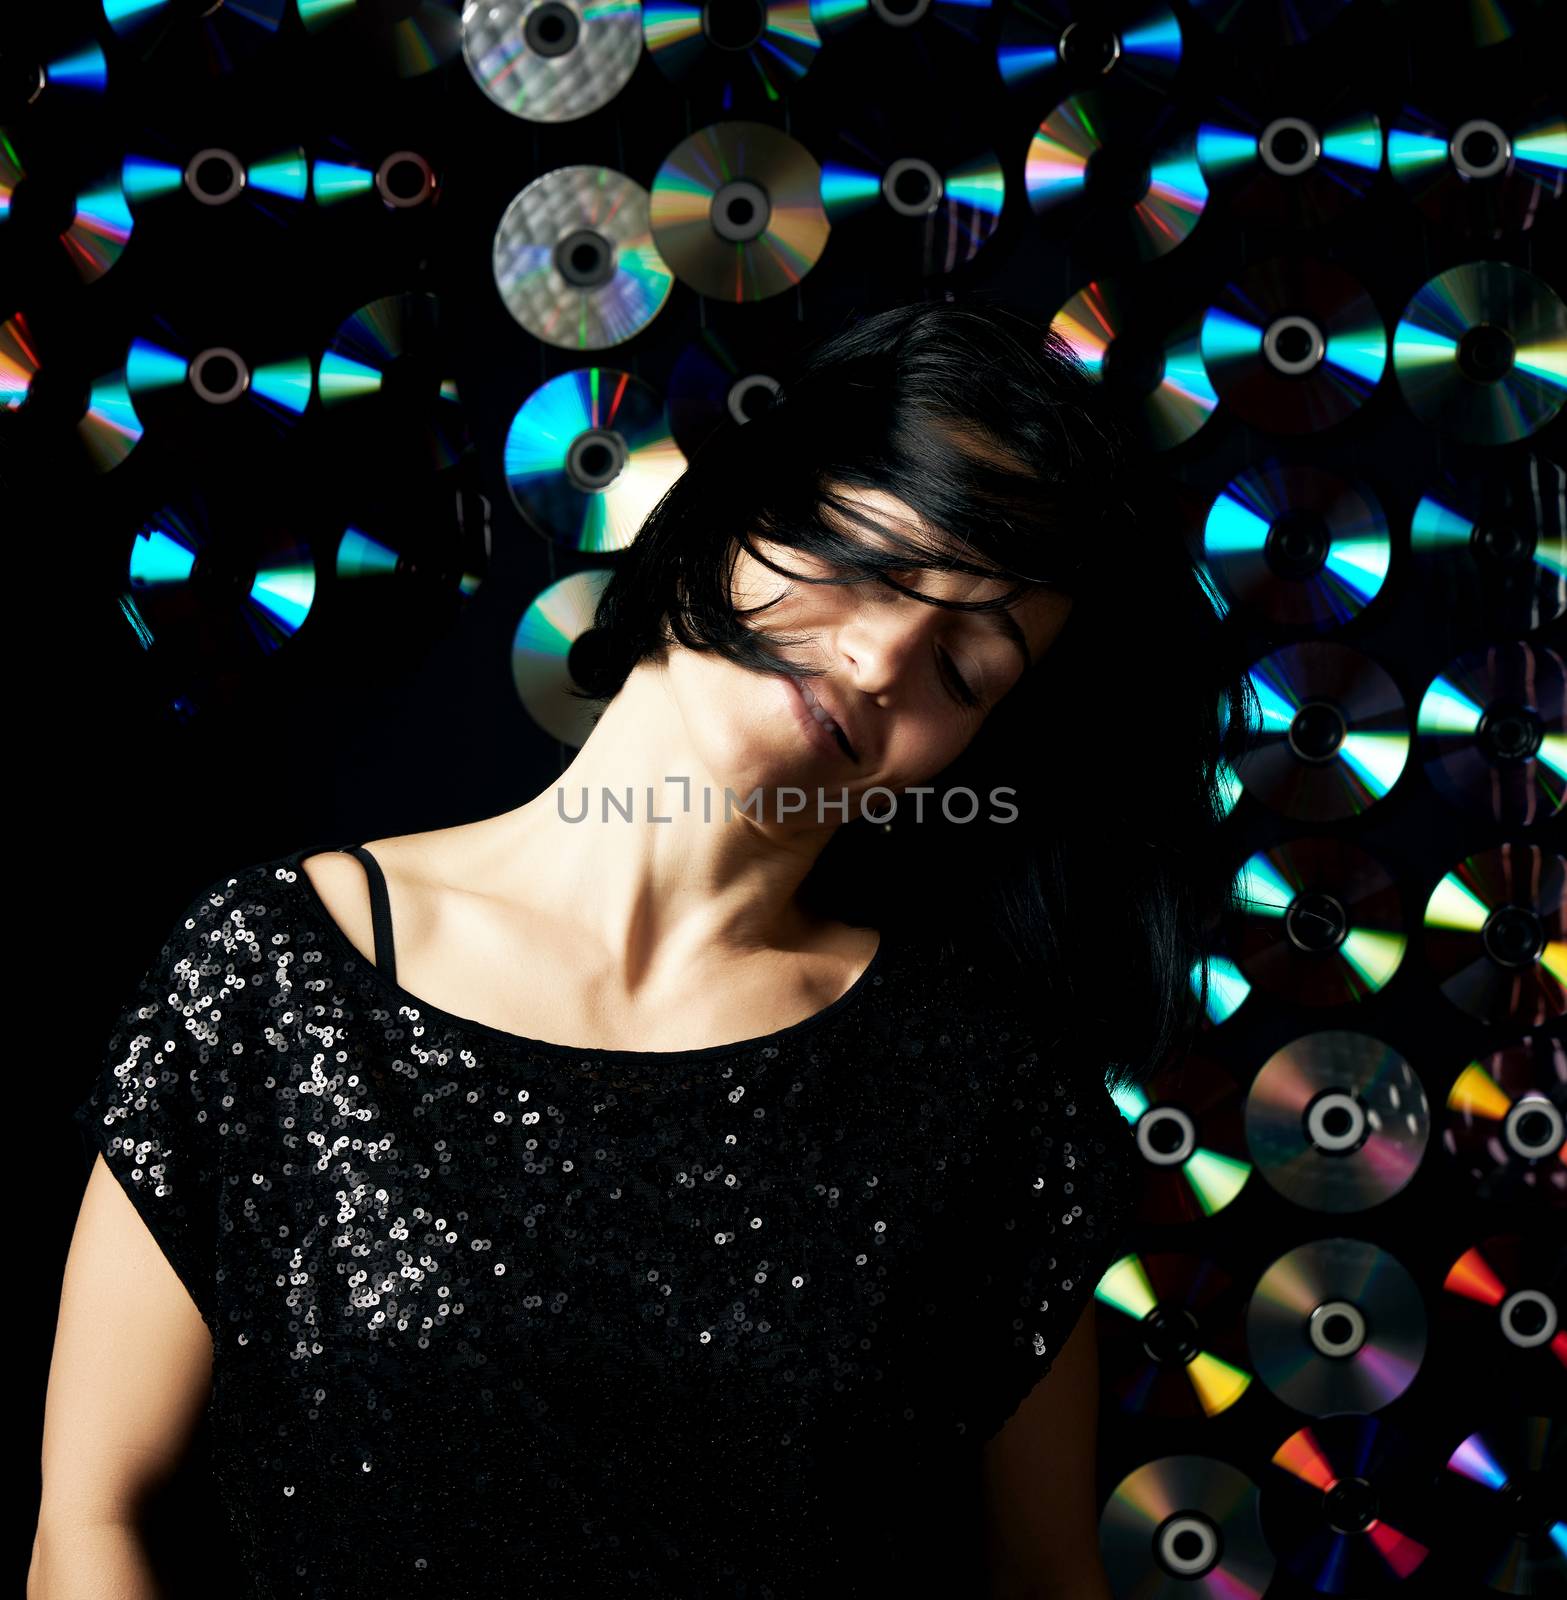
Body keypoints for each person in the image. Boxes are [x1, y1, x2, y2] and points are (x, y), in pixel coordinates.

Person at [32, 291, 1256, 1599]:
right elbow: (92, 1516)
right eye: (865, 553)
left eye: (965, 670)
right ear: (734, 509)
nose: (884, 652)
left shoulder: (989, 1104)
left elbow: (1044, 1580)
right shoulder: (277, 974)